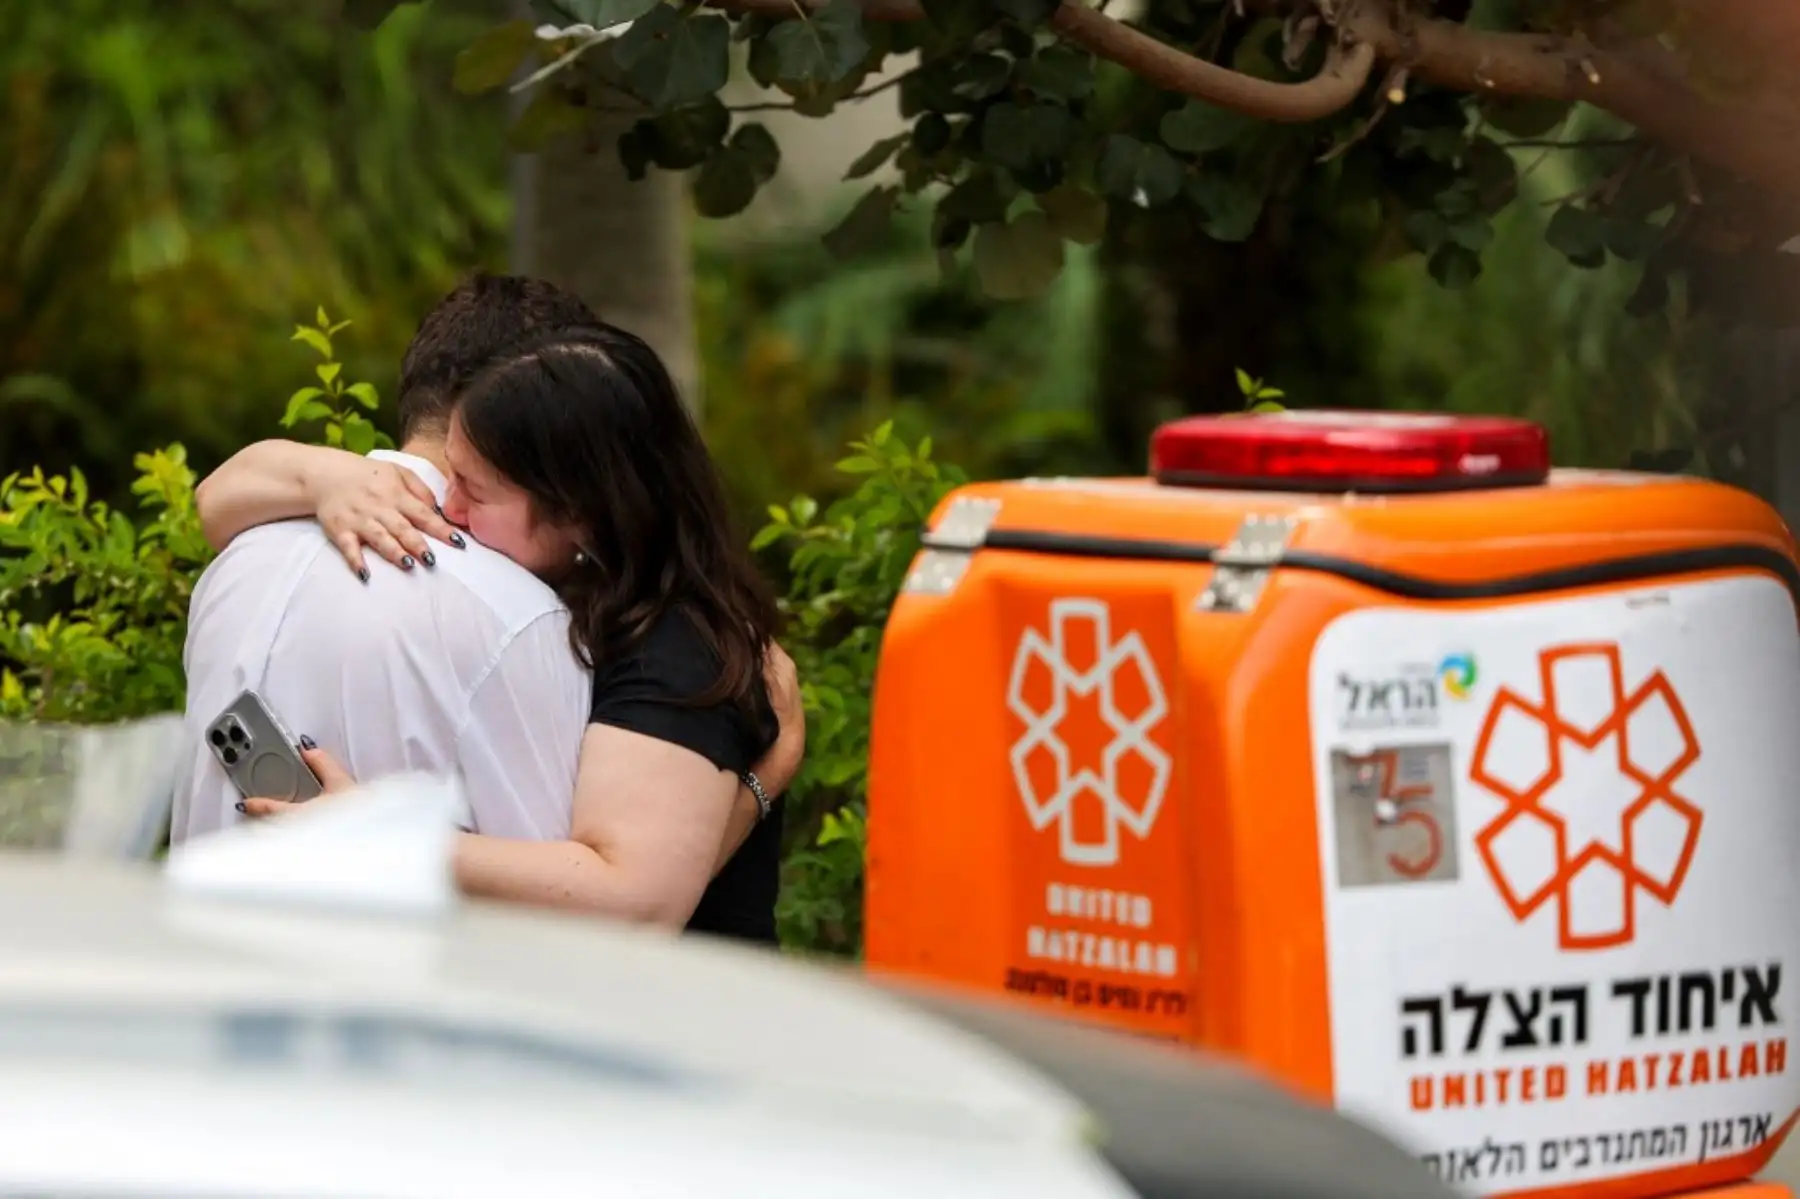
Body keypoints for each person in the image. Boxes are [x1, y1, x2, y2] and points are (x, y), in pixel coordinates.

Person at [180, 276, 802, 943]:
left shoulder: (671, 645)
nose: (446, 511)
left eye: (474, 490)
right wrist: (327, 476)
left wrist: (374, 832)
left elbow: (638, 901)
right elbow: (215, 500)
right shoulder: (580, 599)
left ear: (580, 510)